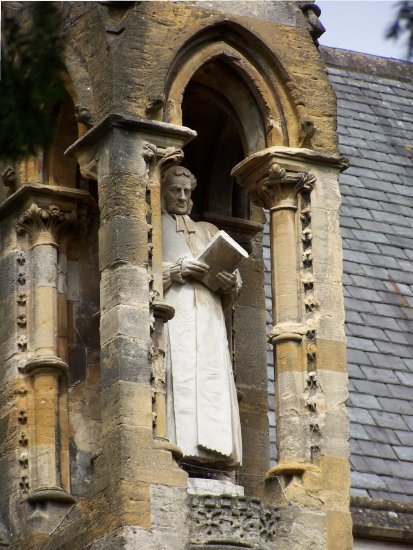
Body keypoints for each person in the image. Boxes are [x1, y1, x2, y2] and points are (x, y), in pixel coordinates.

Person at [162, 165, 242, 467]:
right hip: (176, 316)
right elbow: (134, 276)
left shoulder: (208, 231)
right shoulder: (153, 225)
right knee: (180, 379)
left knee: (211, 381)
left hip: (209, 319)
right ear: (163, 191)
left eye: (187, 191)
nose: (182, 197)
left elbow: (235, 282)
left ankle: (215, 456)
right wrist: (175, 270)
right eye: (175, 190)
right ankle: (179, 449)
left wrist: (230, 282)